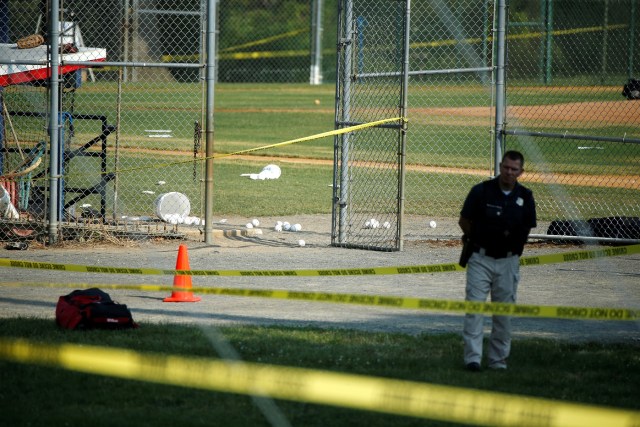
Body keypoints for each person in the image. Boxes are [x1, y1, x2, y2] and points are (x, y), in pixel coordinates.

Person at [458, 150, 537, 371]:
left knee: (503, 314)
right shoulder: (481, 191)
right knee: (474, 310)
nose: (509, 172)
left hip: (508, 261)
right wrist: (477, 237)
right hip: (480, 259)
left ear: (521, 172)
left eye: (514, 169)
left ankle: (497, 360)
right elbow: (464, 220)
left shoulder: (526, 197)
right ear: (500, 166)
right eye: (506, 168)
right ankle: (472, 359)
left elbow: (527, 227)